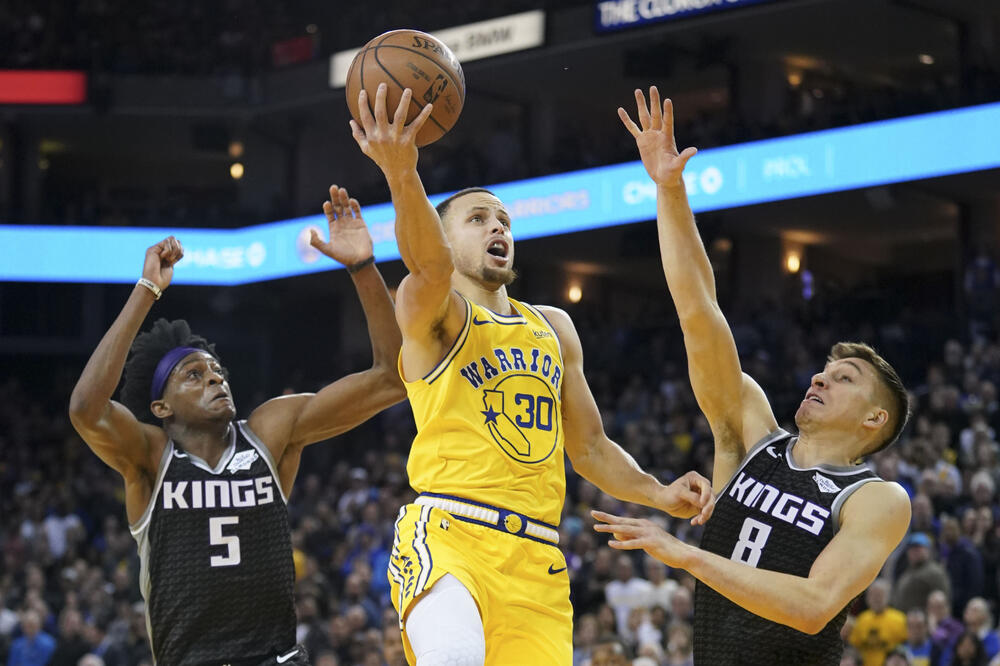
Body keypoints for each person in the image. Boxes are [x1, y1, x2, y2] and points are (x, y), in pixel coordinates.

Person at [348, 83, 715, 664]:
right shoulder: (432, 315)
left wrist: (660, 493)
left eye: (504, 220)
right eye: (478, 218)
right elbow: (427, 264)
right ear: (444, 236)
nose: (499, 227)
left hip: (539, 560)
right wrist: (401, 174)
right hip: (451, 535)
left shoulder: (552, 327)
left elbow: (589, 446)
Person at [592, 87, 912, 665]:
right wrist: (669, 191)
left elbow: (815, 604)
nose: (819, 379)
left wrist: (686, 556)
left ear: (875, 417)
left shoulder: (875, 498)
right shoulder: (747, 440)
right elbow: (698, 311)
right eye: (824, 369)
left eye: (844, 379)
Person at [68, 186, 406, 666]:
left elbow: (392, 378)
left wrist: (363, 268)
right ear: (161, 408)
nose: (215, 379)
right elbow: (85, 409)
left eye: (217, 371)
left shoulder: (269, 431)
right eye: (194, 375)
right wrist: (147, 292)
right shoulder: (150, 456)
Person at [848, 579, 907, 666]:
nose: (876, 599)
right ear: (867, 598)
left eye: (880, 595)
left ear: (888, 597)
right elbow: (855, 647)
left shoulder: (899, 619)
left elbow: (906, 648)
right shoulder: (862, 619)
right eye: (873, 595)